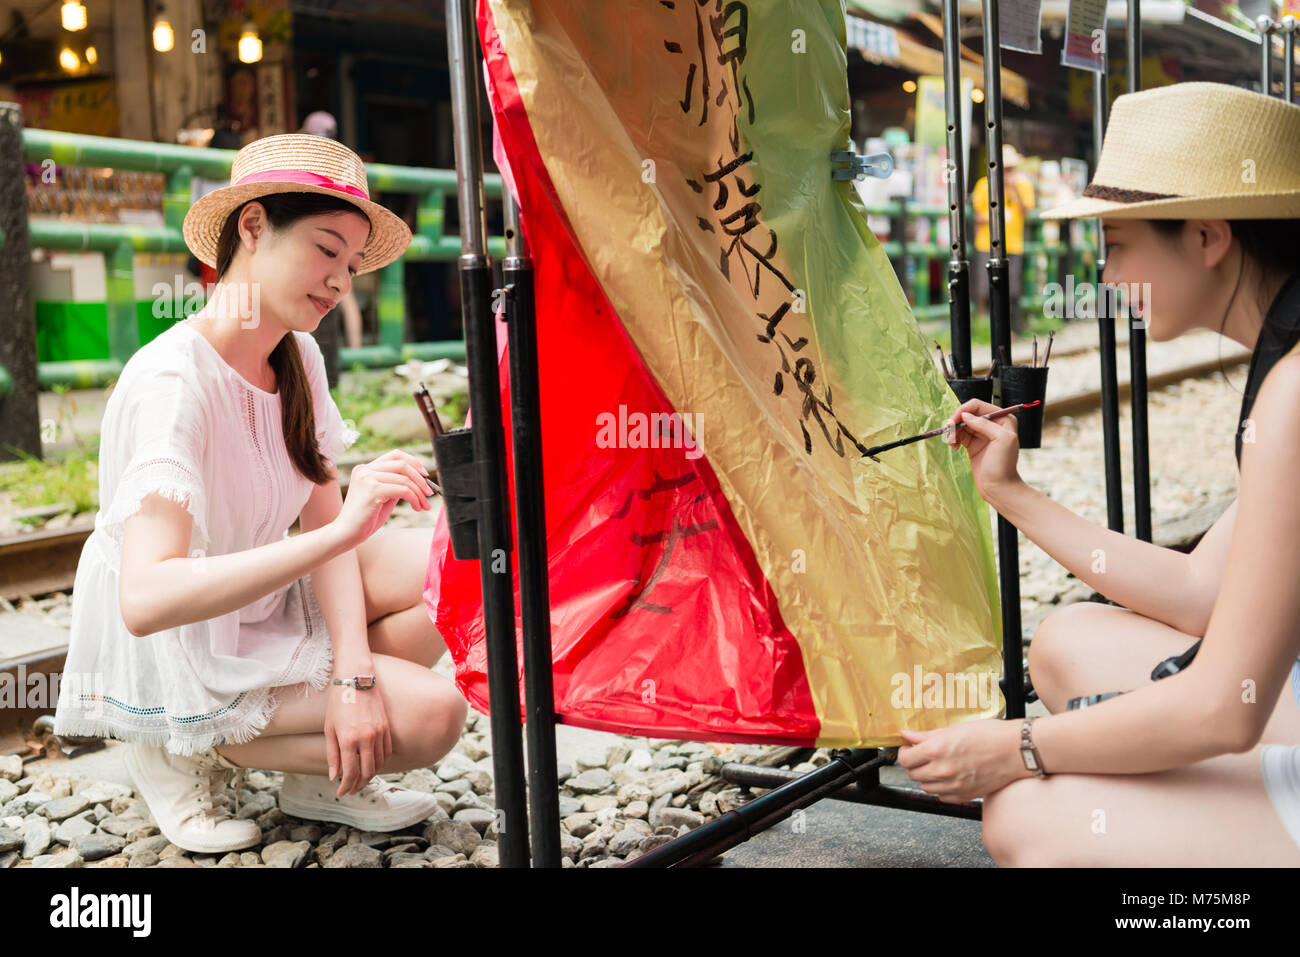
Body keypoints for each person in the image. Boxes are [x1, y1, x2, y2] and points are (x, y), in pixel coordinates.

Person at [895, 81, 1300, 865]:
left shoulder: (1291, 395)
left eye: (1118, 245)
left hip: (1255, 704)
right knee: (1067, 639)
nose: (1108, 279)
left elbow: (1224, 708)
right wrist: (1010, 493)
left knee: (1023, 818)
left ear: (1208, 236)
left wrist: (1019, 747)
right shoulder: (1285, 359)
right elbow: (1203, 596)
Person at [52, 133, 467, 855]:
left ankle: (318, 772)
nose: (341, 282)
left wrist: (353, 678)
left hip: (253, 601)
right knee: (436, 717)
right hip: (183, 644)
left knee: (456, 560)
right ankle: (188, 748)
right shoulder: (174, 383)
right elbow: (147, 600)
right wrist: (340, 536)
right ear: (251, 227)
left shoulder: (298, 356)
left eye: (353, 264)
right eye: (325, 248)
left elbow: (326, 528)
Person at [298, 111, 366, 351]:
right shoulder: (340, 164)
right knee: (344, 292)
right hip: (339, 234)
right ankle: (356, 356)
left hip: (316, 238)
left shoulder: (300, 161)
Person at [971, 144, 1035, 335]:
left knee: (1011, 289)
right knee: (983, 287)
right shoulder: (984, 185)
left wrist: (1014, 189)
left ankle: (1006, 327)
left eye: (1011, 168)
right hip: (986, 242)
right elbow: (977, 215)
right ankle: (982, 326)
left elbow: (1027, 211)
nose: (1008, 172)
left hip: (1013, 244)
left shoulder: (1022, 186)